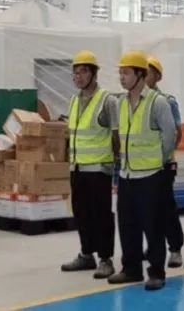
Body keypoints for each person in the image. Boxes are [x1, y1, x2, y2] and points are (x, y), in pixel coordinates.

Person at [107, 51, 178, 290]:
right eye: (120, 73)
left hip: (150, 175)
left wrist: (158, 161)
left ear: (140, 75)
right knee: (127, 224)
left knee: (153, 225)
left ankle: (157, 272)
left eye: (126, 73)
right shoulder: (120, 103)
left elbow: (170, 136)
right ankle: (131, 269)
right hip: (127, 173)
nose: (122, 77)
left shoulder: (157, 102)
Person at [61, 50, 118, 279]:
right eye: (75, 72)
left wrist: (115, 162)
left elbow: (116, 135)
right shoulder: (74, 100)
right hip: (77, 168)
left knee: (101, 215)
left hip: (99, 169)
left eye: (83, 71)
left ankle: (105, 259)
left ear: (94, 74)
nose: (78, 76)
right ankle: (86, 254)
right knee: (81, 213)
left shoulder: (107, 100)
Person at [146, 55, 184, 268]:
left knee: (166, 208)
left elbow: (176, 133)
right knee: (147, 210)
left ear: (157, 77)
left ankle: (175, 248)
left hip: (163, 165)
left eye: (148, 72)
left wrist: (164, 155)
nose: (143, 76)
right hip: (142, 167)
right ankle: (153, 247)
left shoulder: (167, 101)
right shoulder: (135, 103)